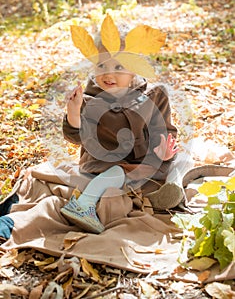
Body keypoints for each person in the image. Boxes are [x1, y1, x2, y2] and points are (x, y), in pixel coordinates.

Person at [60, 14, 186, 234]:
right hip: (105, 164)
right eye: (101, 66)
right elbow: (75, 136)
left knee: (182, 159)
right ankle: (83, 204)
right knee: (119, 173)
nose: (109, 74)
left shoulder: (155, 95)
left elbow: (164, 129)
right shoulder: (90, 102)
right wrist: (73, 114)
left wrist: (163, 149)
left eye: (119, 67)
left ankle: (168, 191)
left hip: (148, 160)